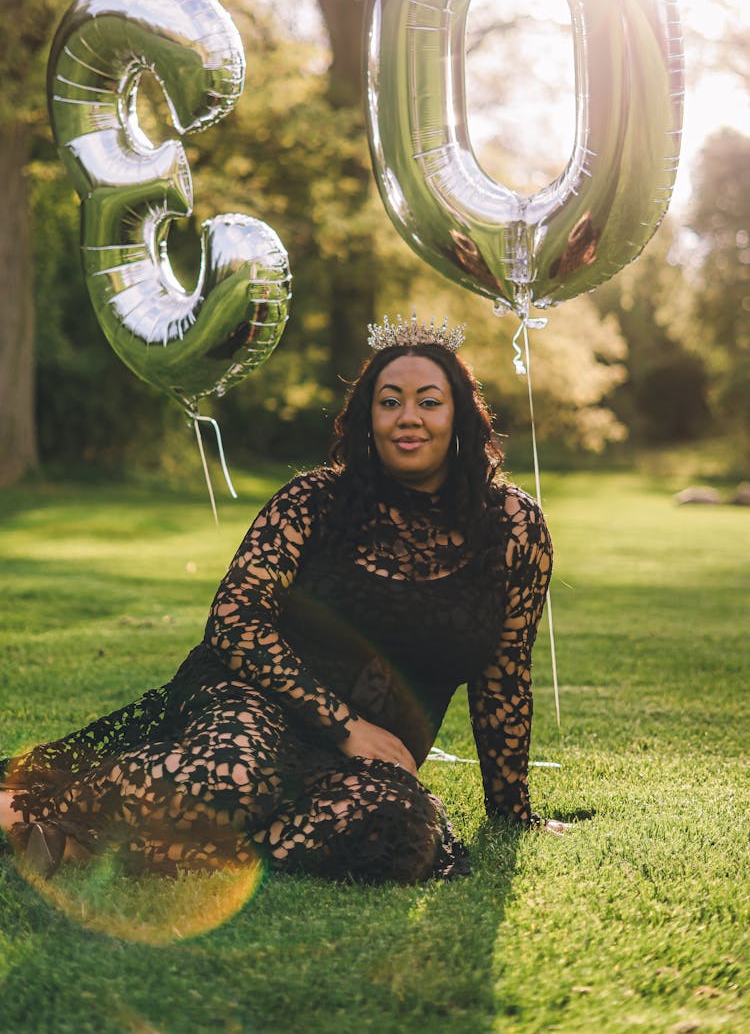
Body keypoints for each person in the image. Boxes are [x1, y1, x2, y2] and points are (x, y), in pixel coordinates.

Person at [0, 313, 560, 884]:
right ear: (368, 418)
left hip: (364, 755)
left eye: (428, 402)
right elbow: (234, 621)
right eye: (390, 401)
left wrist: (510, 811)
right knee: (236, 779)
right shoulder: (314, 501)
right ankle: (27, 809)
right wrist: (345, 724)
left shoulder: (514, 528)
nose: (408, 417)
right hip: (253, 699)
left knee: (398, 829)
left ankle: (95, 846)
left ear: (461, 415)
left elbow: (504, 673)